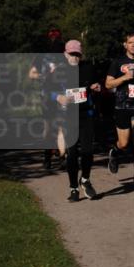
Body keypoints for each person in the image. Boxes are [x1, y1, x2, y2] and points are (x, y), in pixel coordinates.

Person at [51, 40, 101, 201]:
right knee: (72, 153)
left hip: (86, 114)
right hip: (68, 116)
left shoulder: (88, 68)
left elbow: (96, 85)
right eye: (72, 54)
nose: (75, 57)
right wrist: (57, 96)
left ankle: (85, 179)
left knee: (87, 151)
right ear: (65, 54)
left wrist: (97, 87)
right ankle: (73, 188)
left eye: (77, 54)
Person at [105, 33, 134, 187]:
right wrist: (124, 78)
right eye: (130, 43)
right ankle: (115, 151)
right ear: (125, 44)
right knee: (124, 143)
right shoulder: (117, 62)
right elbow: (108, 84)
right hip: (122, 105)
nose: (133, 45)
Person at [29, 27, 66, 169]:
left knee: (62, 126)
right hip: (47, 96)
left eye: (56, 37)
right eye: (52, 37)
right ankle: (47, 157)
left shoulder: (65, 54)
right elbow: (31, 74)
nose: (54, 40)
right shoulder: (40, 57)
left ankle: (63, 157)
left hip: (62, 95)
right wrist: (44, 76)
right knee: (49, 127)